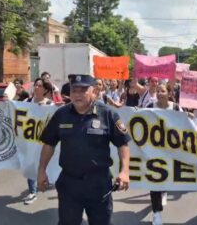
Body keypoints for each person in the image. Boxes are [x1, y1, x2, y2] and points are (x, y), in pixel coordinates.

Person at [37, 74, 131, 225]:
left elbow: (123, 144)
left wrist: (125, 171)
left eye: (83, 90)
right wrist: (41, 170)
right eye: (74, 90)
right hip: (70, 184)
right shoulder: (61, 114)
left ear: (93, 92)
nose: (77, 94)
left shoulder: (107, 114)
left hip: (99, 185)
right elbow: (49, 144)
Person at [146, 83, 184, 225]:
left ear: (169, 93)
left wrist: (189, 116)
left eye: (163, 91)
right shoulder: (150, 107)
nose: (160, 93)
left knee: (165, 176)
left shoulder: (175, 108)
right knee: (154, 179)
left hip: (171, 150)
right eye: (158, 91)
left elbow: (184, 123)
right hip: (153, 150)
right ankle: (156, 213)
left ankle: (164, 190)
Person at [22, 78, 54, 205]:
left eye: (39, 86)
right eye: (35, 85)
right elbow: (17, 111)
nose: (36, 88)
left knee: (44, 162)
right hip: (30, 140)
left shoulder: (50, 104)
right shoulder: (27, 101)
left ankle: (45, 179)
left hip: (44, 141)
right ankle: (32, 192)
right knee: (30, 164)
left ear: (45, 89)